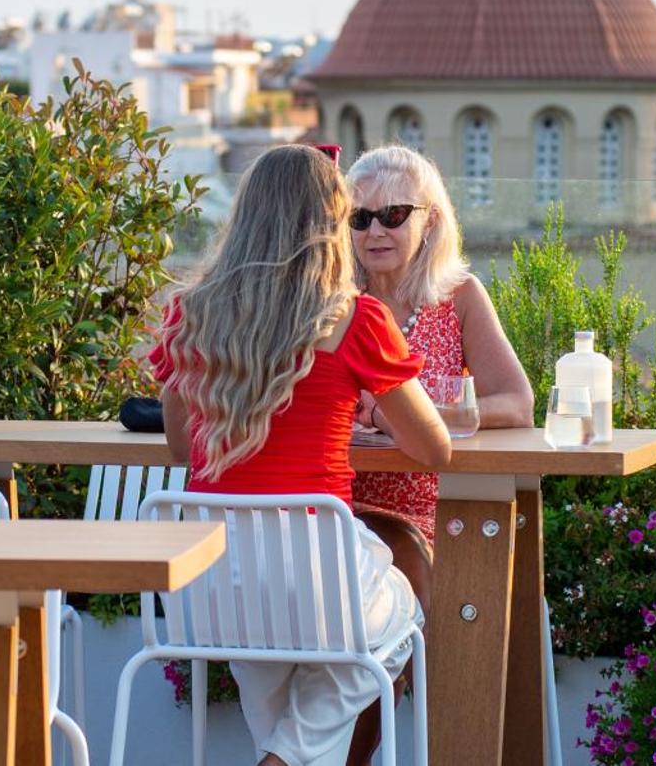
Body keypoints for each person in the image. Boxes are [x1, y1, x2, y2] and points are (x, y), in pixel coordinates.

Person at [149, 144, 452, 766]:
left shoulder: (188, 315)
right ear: (332, 222)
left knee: (283, 694)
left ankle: (278, 758)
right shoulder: (356, 319)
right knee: (397, 623)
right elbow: (431, 448)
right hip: (315, 574)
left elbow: (183, 447)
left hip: (212, 581)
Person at [343, 144, 535, 763]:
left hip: (430, 508)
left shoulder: (457, 296)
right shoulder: (331, 302)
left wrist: (422, 410)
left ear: (430, 220)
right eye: (359, 217)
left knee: (387, 596)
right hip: (331, 504)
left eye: (393, 214)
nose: (374, 230)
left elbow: (515, 402)